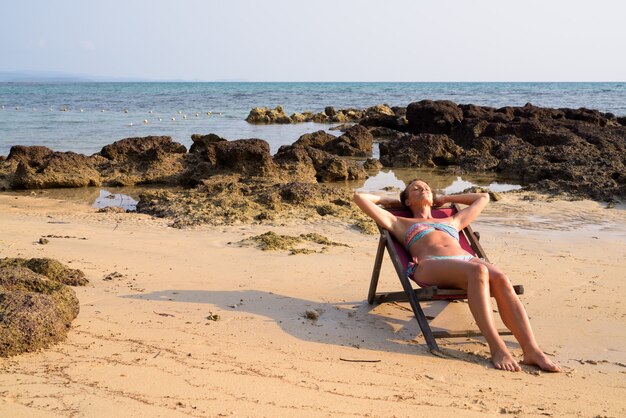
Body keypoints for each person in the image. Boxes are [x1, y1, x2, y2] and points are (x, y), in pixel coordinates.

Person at [353, 179, 561, 372]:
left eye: (426, 188)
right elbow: (359, 198)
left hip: (466, 262)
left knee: (500, 277)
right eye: (415, 189)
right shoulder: (399, 222)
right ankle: (496, 346)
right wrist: (390, 201)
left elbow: (483, 198)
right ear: (407, 200)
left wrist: (448, 199)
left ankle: (532, 350)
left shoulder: (452, 220)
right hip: (430, 265)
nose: (423, 189)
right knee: (480, 270)